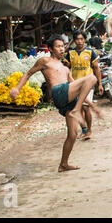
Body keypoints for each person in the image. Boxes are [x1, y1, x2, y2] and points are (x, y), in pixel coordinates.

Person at [10, 35, 99, 172]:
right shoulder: (45, 61)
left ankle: (63, 164)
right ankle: (77, 109)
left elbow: (76, 88)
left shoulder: (65, 68)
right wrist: (17, 88)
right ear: (51, 49)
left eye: (63, 46)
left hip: (68, 99)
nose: (61, 49)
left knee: (73, 134)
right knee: (92, 78)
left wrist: (92, 106)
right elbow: (28, 73)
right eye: (58, 46)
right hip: (59, 92)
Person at [65, 30, 104, 140]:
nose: (80, 41)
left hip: (88, 84)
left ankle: (89, 130)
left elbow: (96, 68)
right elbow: (66, 68)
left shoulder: (90, 52)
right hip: (75, 84)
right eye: (77, 39)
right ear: (74, 40)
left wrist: (99, 84)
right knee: (79, 108)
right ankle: (84, 129)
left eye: (82, 39)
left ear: (85, 40)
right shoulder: (70, 53)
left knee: (86, 107)